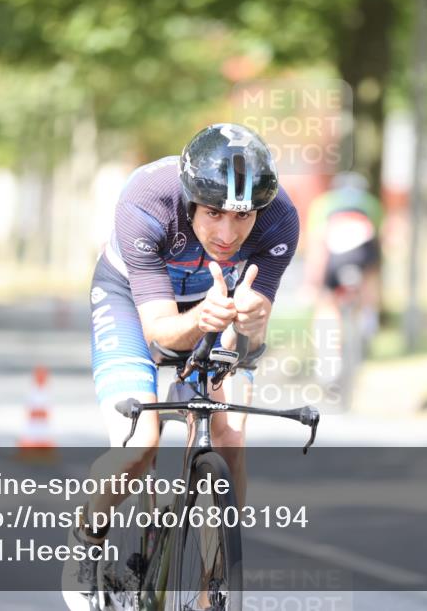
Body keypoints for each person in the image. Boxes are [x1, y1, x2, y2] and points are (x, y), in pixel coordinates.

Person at [63, 123, 299, 610]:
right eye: (213, 214)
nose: (228, 234)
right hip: (133, 301)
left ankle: (214, 588)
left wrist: (250, 324)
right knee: (138, 447)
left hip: (216, 303)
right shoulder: (147, 200)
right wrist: (205, 319)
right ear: (191, 201)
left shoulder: (280, 220)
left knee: (230, 435)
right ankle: (88, 537)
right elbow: (161, 333)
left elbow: (250, 338)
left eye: (242, 217)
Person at [303, 171, 383, 347]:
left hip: (334, 257)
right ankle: (369, 314)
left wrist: (312, 281)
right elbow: (376, 238)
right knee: (370, 275)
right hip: (364, 255)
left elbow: (317, 244)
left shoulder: (323, 203)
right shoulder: (372, 203)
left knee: (326, 300)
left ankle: (327, 353)